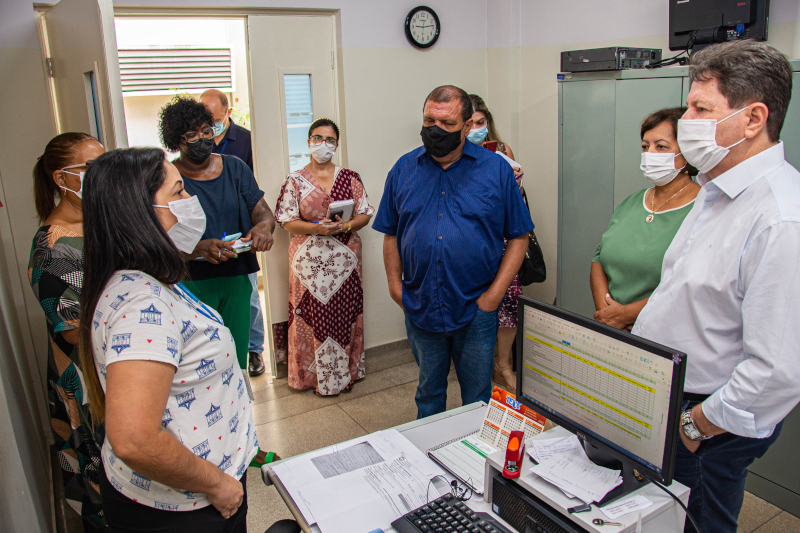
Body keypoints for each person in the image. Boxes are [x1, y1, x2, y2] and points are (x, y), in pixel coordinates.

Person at [78, 147, 299, 533]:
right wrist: (218, 485)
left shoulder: (144, 276)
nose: (190, 202)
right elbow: (134, 439)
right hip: (187, 502)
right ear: (142, 210)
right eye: (178, 192)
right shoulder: (143, 305)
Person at [630, 41, 799, 533]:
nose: (686, 120)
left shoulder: (779, 218)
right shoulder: (715, 189)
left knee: (699, 522)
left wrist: (695, 425)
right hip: (669, 394)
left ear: (753, 119)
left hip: (707, 420)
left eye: (701, 109)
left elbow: (776, 372)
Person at [373, 86, 532, 418]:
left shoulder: (496, 170)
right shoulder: (403, 169)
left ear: (466, 124)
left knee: (477, 396)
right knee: (429, 391)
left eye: (446, 123)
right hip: (420, 304)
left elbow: (519, 237)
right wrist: (395, 287)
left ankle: (473, 466)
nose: (435, 129)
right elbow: (390, 233)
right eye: (429, 120)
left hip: (476, 307)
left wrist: (494, 296)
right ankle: (429, 463)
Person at [158, 95, 275, 374]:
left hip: (235, 278)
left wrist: (262, 227)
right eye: (191, 135)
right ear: (176, 141)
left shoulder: (234, 168)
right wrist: (199, 249)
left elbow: (263, 213)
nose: (202, 138)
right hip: (192, 283)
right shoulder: (168, 178)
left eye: (206, 131)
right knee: (202, 362)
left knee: (235, 360)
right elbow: (159, 241)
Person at [28, 132, 107, 531]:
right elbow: (77, 332)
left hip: (112, 365)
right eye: (91, 168)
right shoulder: (52, 251)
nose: (102, 174)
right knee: (101, 480)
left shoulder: (95, 224)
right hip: (85, 378)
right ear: (63, 179)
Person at [274, 118, 374, 395]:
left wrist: (346, 226)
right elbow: (286, 220)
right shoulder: (295, 180)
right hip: (310, 264)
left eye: (330, 139)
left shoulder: (350, 177)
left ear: (337, 144)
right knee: (312, 317)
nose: (323, 144)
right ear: (308, 142)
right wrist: (317, 228)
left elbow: (365, 212)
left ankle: (346, 373)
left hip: (345, 263)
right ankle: (311, 378)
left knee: (344, 314)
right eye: (317, 138)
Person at [591, 107, 701, 331]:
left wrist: (626, 315)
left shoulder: (703, 209)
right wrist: (609, 313)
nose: (650, 153)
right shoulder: (632, 202)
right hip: (612, 326)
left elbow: (686, 286)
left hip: (664, 334)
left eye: (661, 146)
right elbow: (599, 259)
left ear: (688, 151)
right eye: (645, 146)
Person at [200, 89, 266, 376]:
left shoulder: (244, 145)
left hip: (238, 245)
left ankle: (253, 350)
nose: (206, 133)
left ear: (227, 113)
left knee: (249, 299)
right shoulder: (174, 172)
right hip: (201, 265)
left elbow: (257, 200)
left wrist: (261, 226)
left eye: (212, 123)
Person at [467, 94, 526, 393]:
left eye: (482, 122)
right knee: (479, 297)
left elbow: (517, 201)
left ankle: (504, 365)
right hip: (475, 238)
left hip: (505, 235)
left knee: (509, 299)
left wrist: (515, 183)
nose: (477, 128)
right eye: (471, 123)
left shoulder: (502, 151)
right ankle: (481, 361)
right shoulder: (455, 158)